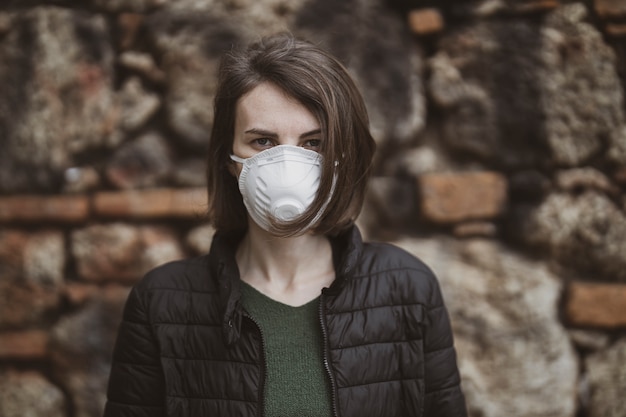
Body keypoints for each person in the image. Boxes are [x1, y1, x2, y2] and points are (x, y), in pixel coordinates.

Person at [103, 33, 467, 417]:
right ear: (229, 159)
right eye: (262, 142)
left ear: (343, 155)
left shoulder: (407, 289)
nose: (288, 164)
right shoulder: (162, 302)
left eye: (313, 143)